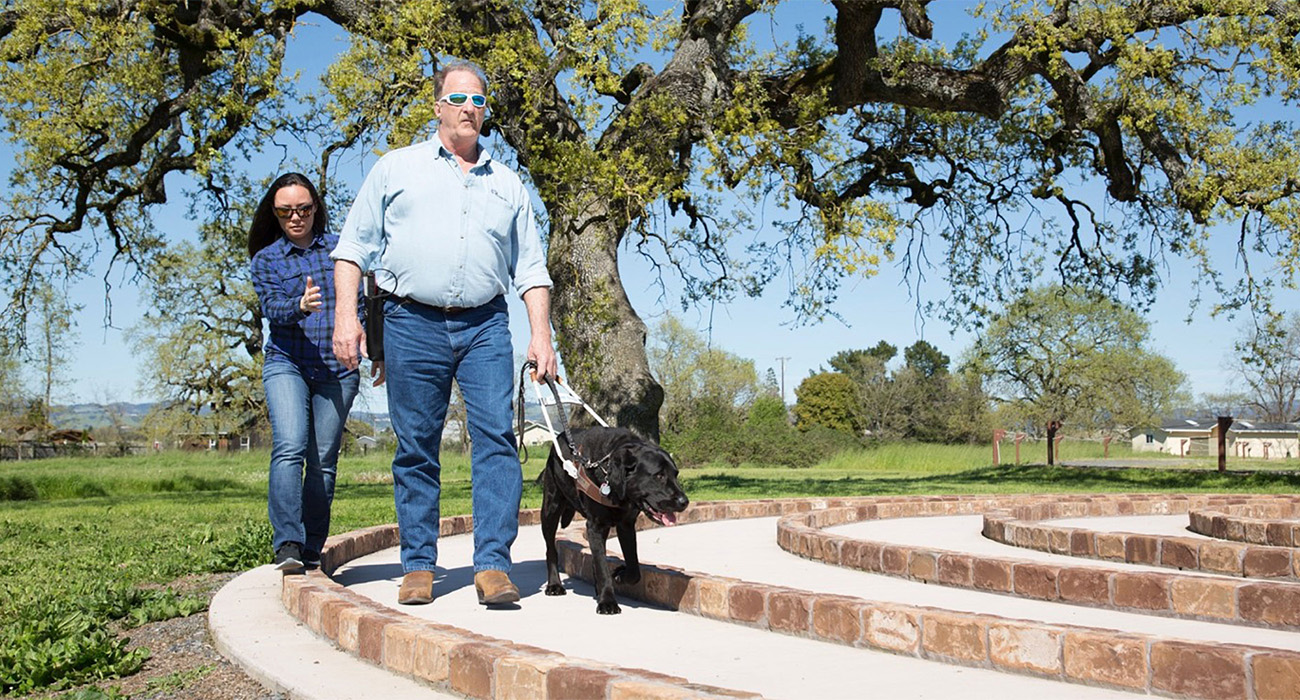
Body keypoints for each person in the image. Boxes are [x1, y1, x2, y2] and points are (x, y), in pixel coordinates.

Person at [331, 59, 557, 606]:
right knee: (416, 447)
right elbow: (352, 249)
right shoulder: (395, 168)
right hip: (412, 323)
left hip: (484, 325)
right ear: (437, 107)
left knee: (497, 441)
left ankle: (493, 566)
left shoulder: (508, 184)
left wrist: (541, 335)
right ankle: (418, 566)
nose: (468, 110)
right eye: (458, 99)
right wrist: (346, 317)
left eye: (478, 102)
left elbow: (530, 268)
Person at [249, 173, 370, 574]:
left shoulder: (340, 250)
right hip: (289, 362)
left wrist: (371, 341)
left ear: (315, 207)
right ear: (276, 213)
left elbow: (364, 303)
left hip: (338, 369)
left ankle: (312, 546)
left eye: (302, 208)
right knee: (290, 445)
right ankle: (287, 542)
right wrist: (299, 304)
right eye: (285, 211)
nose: (295, 217)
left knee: (323, 460)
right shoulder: (266, 259)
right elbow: (272, 309)